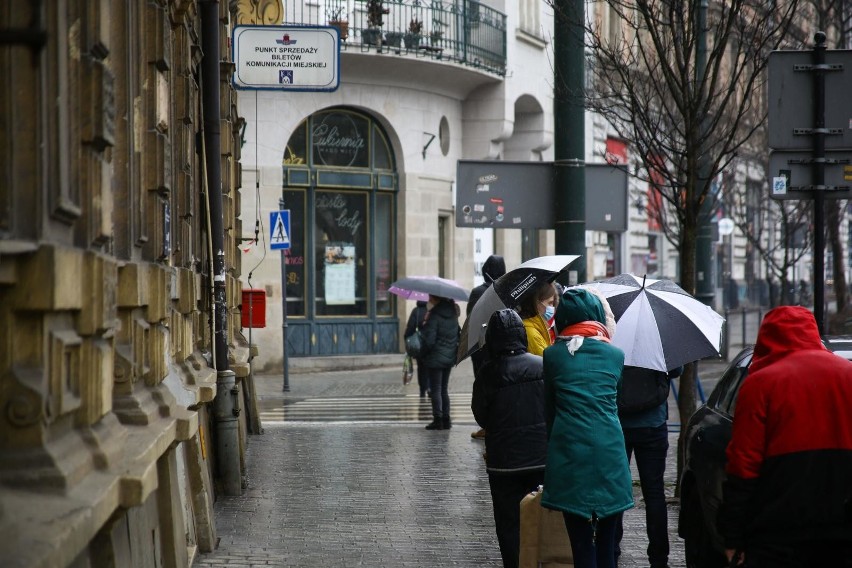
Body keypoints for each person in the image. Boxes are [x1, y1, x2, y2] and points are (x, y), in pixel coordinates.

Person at [717, 306, 852, 567]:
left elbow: (744, 464)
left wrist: (732, 536)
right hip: (842, 523)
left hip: (776, 528)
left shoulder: (760, 384)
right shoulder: (847, 375)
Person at [541, 288, 633, 568]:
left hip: (570, 455)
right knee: (607, 546)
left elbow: (550, 411)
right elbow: (616, 401)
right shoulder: (615, 355)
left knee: (580, 546)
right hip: (611, 455)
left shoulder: (553, 356)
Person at [471, 308, 547, 568]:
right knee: (542, 516)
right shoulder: (542, 365)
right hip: (541, 458)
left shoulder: (487, 373)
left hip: (504, 463)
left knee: (508, 523)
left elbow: (481, 415)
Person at [613, 364, 682, 568]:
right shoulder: (659, 339)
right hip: (653, 422)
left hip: (619, 424)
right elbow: (677, 371)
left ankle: (612, 550)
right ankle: (659, 559)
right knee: (654, 494)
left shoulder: (613, 335)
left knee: (615, 491)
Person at [468, 254, 507, 439]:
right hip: (502, 346)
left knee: (485, 388)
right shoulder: (507, 290)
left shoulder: (478, 292)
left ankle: (488, 425)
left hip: (483, 348)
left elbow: (472, 321)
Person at [418, 294, 461, 430]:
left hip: (435, 357)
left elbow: (429, 340)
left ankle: (438, 420)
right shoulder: (453, 314)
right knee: (443, 388)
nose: (429, 298)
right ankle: (446, 419)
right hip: (449, 357)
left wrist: (425, 325)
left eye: (431, 296)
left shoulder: (434, 315)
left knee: (435, 389)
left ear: (436, 298)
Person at [516, 281, 558, 356]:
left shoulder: (536, 327)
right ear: (537, 303)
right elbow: (547, 363)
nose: (552, 307)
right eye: (550, 303)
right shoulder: (531, 332)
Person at [404, 300, 430, 398]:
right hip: (429, 344)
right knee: (429, 367)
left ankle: (422, 390)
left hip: (419, 345)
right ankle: (429, 387)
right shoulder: (430, 311)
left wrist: (407, 339)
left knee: (421, 368)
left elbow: (410, 327)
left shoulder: (416, 311)